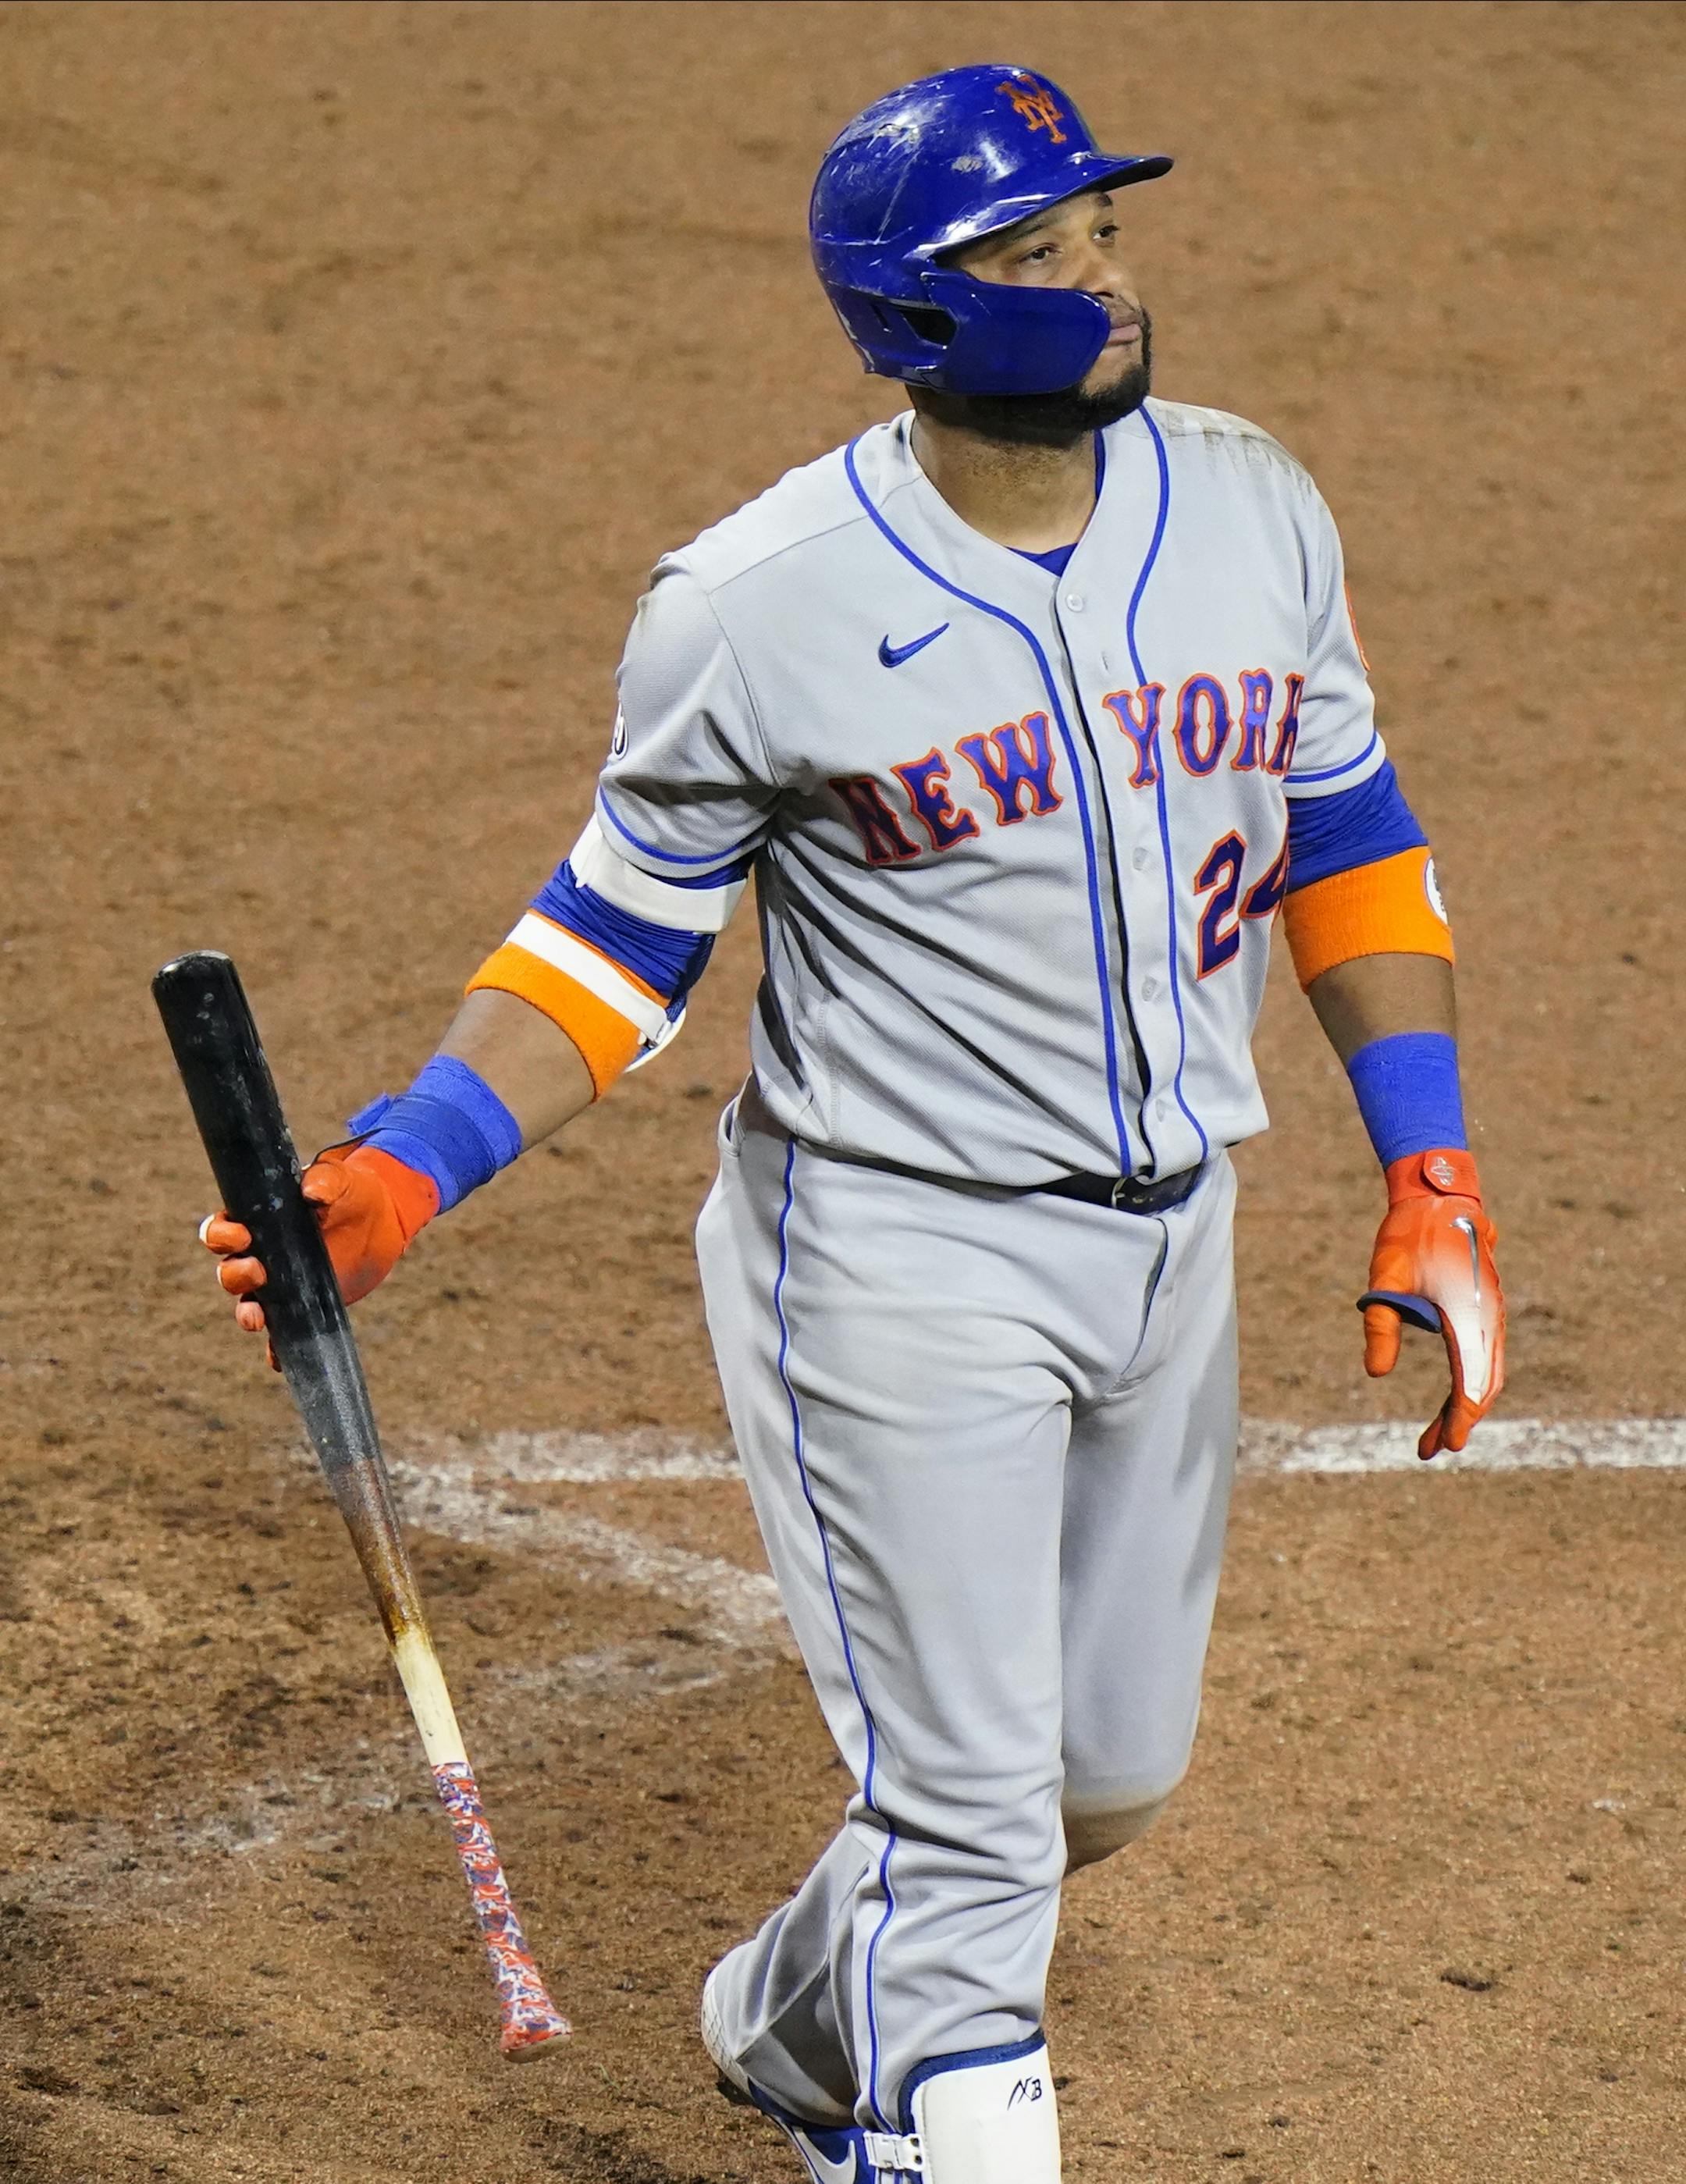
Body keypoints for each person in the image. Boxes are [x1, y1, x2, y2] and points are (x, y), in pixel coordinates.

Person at [201, 64, 1505, 2184]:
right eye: (1037, 252)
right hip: (901, 1264)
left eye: (1104, 232)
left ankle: (804, 2024)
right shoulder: (756, 600)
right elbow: (613, 944)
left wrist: (1427, 1161)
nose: (1103, 280)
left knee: (1100, 1778)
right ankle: (914, 2116)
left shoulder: (1255, 504)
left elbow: (1345, 836)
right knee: (986, 1844)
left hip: (1176, 1246)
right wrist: (402, 1165)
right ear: (915, 312)